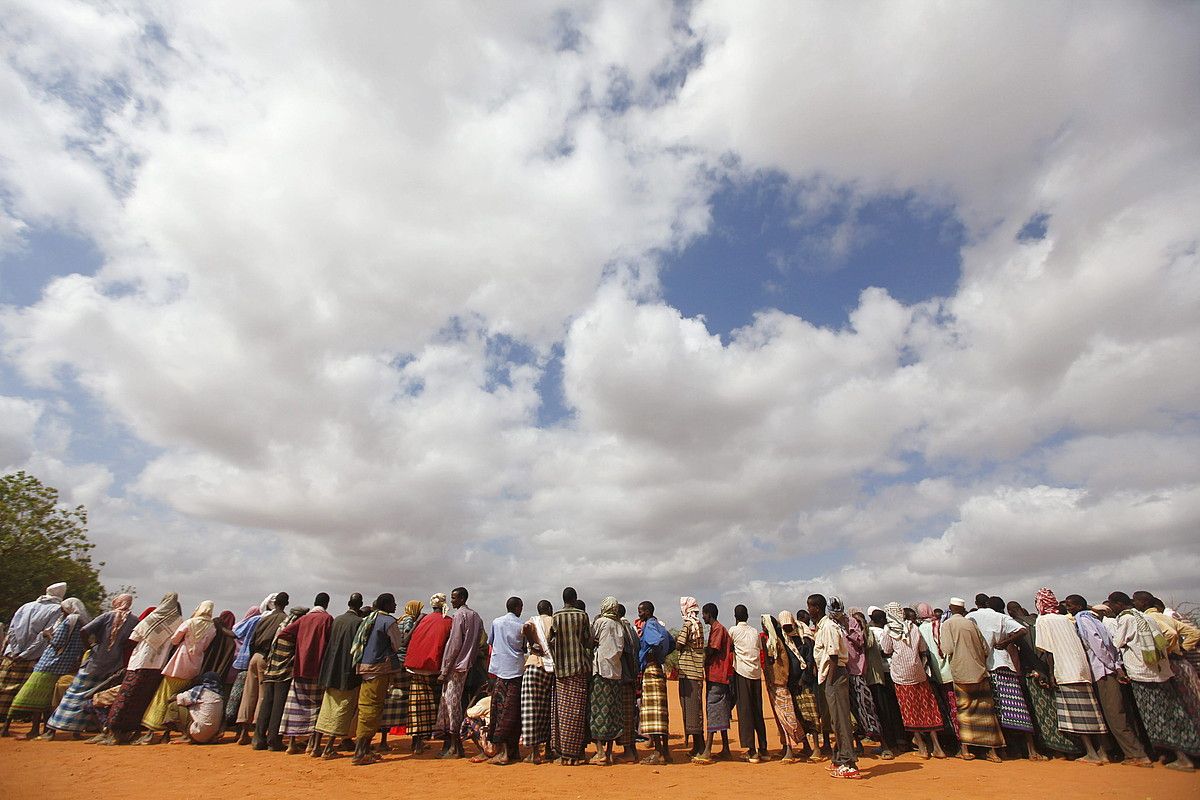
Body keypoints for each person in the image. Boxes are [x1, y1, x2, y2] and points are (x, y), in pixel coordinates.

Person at [1108, 590, 1199, 770]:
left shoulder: (1126, 619)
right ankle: (1178, 754)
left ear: (1119, 604)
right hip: (1160, 671)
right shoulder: (1146, 618)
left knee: (1158, 717)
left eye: (1112, 604)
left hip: (1142, 674)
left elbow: (1117, 642)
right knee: (1172, 712)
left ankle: (1182, 757)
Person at [1063, 594, 1152, 767]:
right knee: (1115, 714)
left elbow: (1098, 644)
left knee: (1115, 716)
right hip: (1108, 668)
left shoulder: (1083, 619)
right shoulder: (1093, 618)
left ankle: (1137, 754)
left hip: (1103, 670)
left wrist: (1112, 666)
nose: (1069, 608)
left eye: (1071, 605)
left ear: (1080, 606)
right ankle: (1120, 752)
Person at [45, 593, 136, 739]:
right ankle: (79, 730)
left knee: (74, 694)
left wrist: (91, 646)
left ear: (117, 602)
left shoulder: (107, 616)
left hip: (94, 663)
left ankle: (53, 729)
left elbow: (84, 630)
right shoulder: (133, 620)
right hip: (113, 666)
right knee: (95, 697)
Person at [1031, 588, 1107, 765]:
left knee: (1077, 713)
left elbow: (1048, 651)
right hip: (1083, 668)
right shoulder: (1067, 619)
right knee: (1092, 712)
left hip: (1065, 669)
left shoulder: (1043, 620)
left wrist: (1051, 674)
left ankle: (1091, 753)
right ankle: (1102, 752)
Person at [967, 593, 1039, 759]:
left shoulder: (971, 617)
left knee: (993, 711)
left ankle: (1002, 750)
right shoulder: (1000, 617)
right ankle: (1031, 750)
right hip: (1004, 664)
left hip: (984, 667)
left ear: (977, 603)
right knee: (1017, 708)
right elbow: (1023, 630)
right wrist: (1005, 642)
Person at [7, 597, 91, 738]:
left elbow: (57, 642)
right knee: (56, 698)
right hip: (68, 664)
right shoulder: (83, 623)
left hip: (50, 662)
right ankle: (54, 730)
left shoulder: (69, 620)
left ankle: (34, 730)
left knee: (35, 695)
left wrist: (46, 635)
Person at [105, 593, 182, 744]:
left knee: (126, 696)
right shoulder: (177, 622)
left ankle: (114, 731)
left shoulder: (152, 618)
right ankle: (131, 730)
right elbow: (175, 642)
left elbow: (133, 638)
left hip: (139, 662)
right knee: (143, 699)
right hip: (157, 666)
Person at [137, 600, 217, 745]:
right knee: (182, 698)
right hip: (195, 663)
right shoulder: (212, 627)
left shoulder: (190, 622)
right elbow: (206, 645)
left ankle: (151, 732)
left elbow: (174, 640)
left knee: (163, 696)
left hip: (179, 662)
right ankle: (169, 732)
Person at [878, 602, 946, 759]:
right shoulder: (913, 627)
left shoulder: (889, 630)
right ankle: (937, 747)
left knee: (910, 709)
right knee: (927, 707)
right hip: (919, 673)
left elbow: (887, 650)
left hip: (901, 675)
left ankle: (922, 747)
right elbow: (923, 649)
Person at [940, 598, 1004, 763]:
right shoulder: (971, 624)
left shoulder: (947, 624)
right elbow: (985, 648)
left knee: (965, 711)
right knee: (986, 711)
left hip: (961, 672)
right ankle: (992, 752)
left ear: (950, 608)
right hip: (979, 671)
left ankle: (966, 750)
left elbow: (947, 649)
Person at [0, 582, 67, 731]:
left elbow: (11, 630)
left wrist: (16, 651)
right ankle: (32, 728)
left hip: (11, 655)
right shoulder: (57, 610)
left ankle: (5, 727)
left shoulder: (25, 606)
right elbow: (44, 635)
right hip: (34, 658)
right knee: (30, 693)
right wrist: (25, 654)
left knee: (3, 690)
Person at [351, 593, 403, 766]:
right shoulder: (388, 622)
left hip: (365, 667)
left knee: (366, 707)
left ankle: (365, 749)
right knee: (372, 709)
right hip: (379, 669)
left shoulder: (370, 619)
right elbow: (397, 644)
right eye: (393, 603)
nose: (395, 606)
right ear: (386, 604)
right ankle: (360, 752)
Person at [277, 593, 333, 754]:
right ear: (327, 604)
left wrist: (299, 645)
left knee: (295, 706)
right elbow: (331, 641)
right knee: (317, 706)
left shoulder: (304, 619)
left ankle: (291, 744)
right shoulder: (327, 619)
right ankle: (313, 745)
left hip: (300, 667)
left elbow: (284, 633)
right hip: (318, 668)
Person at [811, 593, 859, 779]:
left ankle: (849, 764)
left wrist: (829, 680)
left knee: (840, 719)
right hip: (830, 676)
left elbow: (832, 655)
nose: (809, 610)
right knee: (834, 720)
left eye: (810, 606)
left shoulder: (829, 627)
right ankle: (839, 758)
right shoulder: (824, 626)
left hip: (835, 675)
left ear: (817, 608)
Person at [312, 592, 365, 759]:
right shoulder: (358, 623)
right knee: (342, 708)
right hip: (346, 672)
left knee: (327, 707)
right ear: (360, 605)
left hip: (330, 670)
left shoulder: (337, 620)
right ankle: (329, 747)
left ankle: (315, 746)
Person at [436, 586, 483, 759]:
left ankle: (456, 747)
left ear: (462, 598)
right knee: (453, 704)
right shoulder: (476, 617)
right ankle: (452, 746)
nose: (452, 601)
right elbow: (478, 641)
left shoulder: (459, 616)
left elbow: (454, 644)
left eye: (454, 598)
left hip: (454, 667)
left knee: (451, 705)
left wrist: (445, 669)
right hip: (466, 665)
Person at [236, 591, 289, 743]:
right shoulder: (284, 620)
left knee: (248, 694)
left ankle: (243, 733)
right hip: (267, 658)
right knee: (263, 695)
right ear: (286, 603)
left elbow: (252, 640)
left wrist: (254, 656)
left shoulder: (264, 618)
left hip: (254, 657)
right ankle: (258, 734)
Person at [404, 592, 453, 754]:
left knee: (418, 707)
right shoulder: (448, 622)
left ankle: (416, 743)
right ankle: (442, 741)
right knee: (436, 706)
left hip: (415, 667)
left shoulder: (422, 620)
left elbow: (408, 640)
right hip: (434, 668)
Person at [549, 586, 592, 765]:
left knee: (563, 713)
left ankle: (565, 753)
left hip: (561, 670)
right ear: (575, 599)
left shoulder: (556, 617)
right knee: (578, 712)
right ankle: (575, 754)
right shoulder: (582, 616)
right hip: (580, 669)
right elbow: (588, 641)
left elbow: (551, 641)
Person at [378, 599, 422, 752]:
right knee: (411, 701)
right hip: (404, 664)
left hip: (394, 663)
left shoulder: (400, 619)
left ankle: (383, 740)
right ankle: (416, 743)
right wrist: (417, 626)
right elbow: (404, 640)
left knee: (389, 700)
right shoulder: (409, 620)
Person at [486, 596, 525, 765]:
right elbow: (523, 647)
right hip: (516, 671)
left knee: (499, 711)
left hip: (500, 671)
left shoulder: (496, 622)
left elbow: (491, 642)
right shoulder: (522, 625)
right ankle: (511, 750)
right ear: (517, 608)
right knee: (514, 712)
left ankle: (503, 752)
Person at [761, 614, 804, 762]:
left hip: (779, 683)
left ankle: (790, 749)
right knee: (781, 716)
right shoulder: (773, 641)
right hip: (774, 683)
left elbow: (776, 664)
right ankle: (786, 747)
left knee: (786, 716)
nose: (762, 628)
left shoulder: (775, 642)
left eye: (764, 625)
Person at [729, 603, 768, 762]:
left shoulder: (733, 630)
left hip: (742, 673)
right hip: (756, 674)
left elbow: (730, 648)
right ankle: (764, 749)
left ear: (735, 617)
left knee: (745, 711)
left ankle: (751, 751)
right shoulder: (754, 632)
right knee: (757, 710)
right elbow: (759, 649)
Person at [637, 600, 675, 765]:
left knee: (652, 713)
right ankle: (665, 752)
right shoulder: (660, 625)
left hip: (651, 670)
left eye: (641, 611)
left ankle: (658, 753)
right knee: (661, 712)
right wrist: (662, 655)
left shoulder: (650, 626)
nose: (639, 614)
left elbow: (657, 641)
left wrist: (651, 653)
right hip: (658, 669)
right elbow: (671, 643)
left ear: (647, 611)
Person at [781, 610, 822, 758]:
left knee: (811, 714)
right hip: (792, 683)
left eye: (788, 626)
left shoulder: (804, 637)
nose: (787, 629)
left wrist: (804, 678)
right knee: (798, 715)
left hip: (805, 682)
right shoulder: (785, 639)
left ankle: (817, 747)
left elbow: (810, 658)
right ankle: (806, 745)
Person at [864, 607, 904, 758]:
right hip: (893, 673)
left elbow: (884, 651)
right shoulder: (888, 631)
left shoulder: (873, 633)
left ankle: (890, 744)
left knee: (883, 709)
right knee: (895, 708)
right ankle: (901, 740)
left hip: (879, 675)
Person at [520, 599, 555, 763]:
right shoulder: (554, 621)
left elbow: (525, 628)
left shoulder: (533, 621)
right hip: (551, 669)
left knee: (531, 709)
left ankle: (535, 753)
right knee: (548, 708)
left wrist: (532, 641)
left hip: (534, 666)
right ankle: (548, 748)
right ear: (549, 609)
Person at [226, 599, 266, 737]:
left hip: (243, 663)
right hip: (261, 659)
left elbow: (235, 632)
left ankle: (241, 730)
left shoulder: (250, 621)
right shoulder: (264, 620)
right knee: (259, 695)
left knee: (243, 696)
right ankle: (256, 731)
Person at [675, 596, 706, 758]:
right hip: (697, 672)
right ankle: (697, 746)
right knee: (696, 709)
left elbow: (679, 644)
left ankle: (700, 747)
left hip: (688, 673)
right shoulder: (698, 624)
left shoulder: (688, 625)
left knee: (691, 710)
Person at [169, 671, 224, 744]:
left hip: (197, 734)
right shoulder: (220, 696)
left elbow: (180, 698)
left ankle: (187, 736)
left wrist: (171, 696)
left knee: (174, 705)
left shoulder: (200, 690)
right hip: (210, 737)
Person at [616, 603, 641, 762]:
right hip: (632, 676)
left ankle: (629, 752)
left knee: (625, 715)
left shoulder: (621, 629)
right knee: (630, 714)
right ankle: (632, 750)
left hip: (624, 677)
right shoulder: (630, 628)